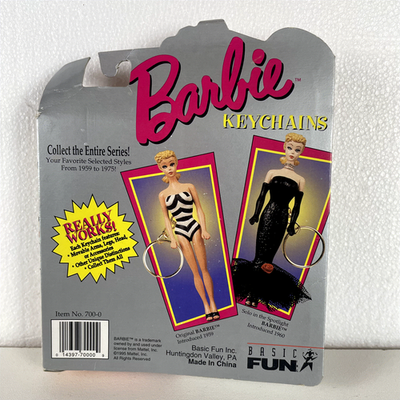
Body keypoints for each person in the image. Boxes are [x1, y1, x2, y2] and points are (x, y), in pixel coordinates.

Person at [232, 133, 311, 310]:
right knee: (259, 256)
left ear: (301, 153)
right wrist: (256, 214)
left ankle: (255, 295)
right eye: (290, 147)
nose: (293, 152)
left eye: (297, 150)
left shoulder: (300, 180)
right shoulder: (272, 172)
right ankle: (252, 295)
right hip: (267, 215)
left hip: (282, 219)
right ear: (284, 147)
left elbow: (297, 206)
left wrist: (292, 224)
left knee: (268, 260)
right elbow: (262, 196)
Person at [155, 150, 219, 321]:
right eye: (165, 166)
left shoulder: (189, 186)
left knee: (204, 268)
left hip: (193, 225)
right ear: (160, 169)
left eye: (171, 164)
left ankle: (213, 303)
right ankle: (206, 305)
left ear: (176, 163)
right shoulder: (162, 194)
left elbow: (199, 208)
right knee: (195, 271)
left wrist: (204, 229)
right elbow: (166, 218)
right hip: (180, 230)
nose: (169, 169)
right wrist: (172, 239)